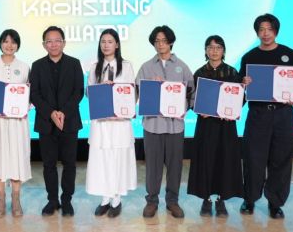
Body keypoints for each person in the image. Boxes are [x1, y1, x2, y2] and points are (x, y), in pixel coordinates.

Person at [239, 14, 293, 219]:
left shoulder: (290, 54)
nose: (265, 33)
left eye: (269, 29)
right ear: (257, 32)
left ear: (276, 31)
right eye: (261, 29)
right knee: (253, 158)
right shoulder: (249, 57)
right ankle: (249, 199)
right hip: (258, 114)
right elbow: (241, 86)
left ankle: (275, 203)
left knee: (281, 158)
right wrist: (243, 82)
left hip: (283, 114)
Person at [135, 25, 194, 219]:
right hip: (152, 125)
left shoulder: (182, 66)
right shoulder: (146, 67)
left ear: (171, 42)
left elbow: (192, 92)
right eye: (157, 41)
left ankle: (172, 201)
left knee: (175, 166)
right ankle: (152, 201)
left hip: (175, 126)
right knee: (153, 166)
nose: (160, 44)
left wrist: (185, 107)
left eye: (164, 41)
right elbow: (136, 92)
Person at [30, 26, 84, 217]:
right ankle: (52, 200)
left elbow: (78, 91)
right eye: (49, 41)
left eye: (57, 40)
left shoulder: (74, 63)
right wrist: (51, 113)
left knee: (69, 164)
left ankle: (67, 200)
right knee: (48, 165)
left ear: (64, 43)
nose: (53, 44)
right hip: (46, 122)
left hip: (69, 122)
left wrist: (63, 113)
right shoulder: (37, 65)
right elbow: (34, 94)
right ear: (44, 44)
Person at [187, 35, 243, 217]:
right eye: (210, 47)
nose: (214, 51)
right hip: (206, 125)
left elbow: (240, 97)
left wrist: (232, 111)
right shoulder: (199, 73)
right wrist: (198, 108)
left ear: (223, 51)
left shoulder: (232, 72)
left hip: (226, 126)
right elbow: (191, 98)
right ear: (205, 50)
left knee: (224, 160)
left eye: (218, 47)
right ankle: (206, 199)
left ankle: (221, 199)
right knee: (205, 160)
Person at [86, 29, 137, 218]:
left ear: (117, 44)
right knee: (102, 159)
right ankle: (105, 198)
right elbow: (89, 93)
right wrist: (100, 89)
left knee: (118, 158)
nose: (106, 45)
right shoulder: (94, 67)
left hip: (120, 123)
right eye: (103, 42)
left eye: (110, 41)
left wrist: (116, 90)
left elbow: (131, 93)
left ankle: (116, 199)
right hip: (101, 123)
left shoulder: (127, 66)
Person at [0, 29, 31, 218]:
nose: (9, 45)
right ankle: (0, 199)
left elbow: (29, 95)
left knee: (17, 157)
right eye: (6, 41)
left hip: (17, 122)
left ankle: (16, 199)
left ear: (18, 45)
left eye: (13, 42)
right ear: (0, 43)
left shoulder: (24, 67)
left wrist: (24, 106)